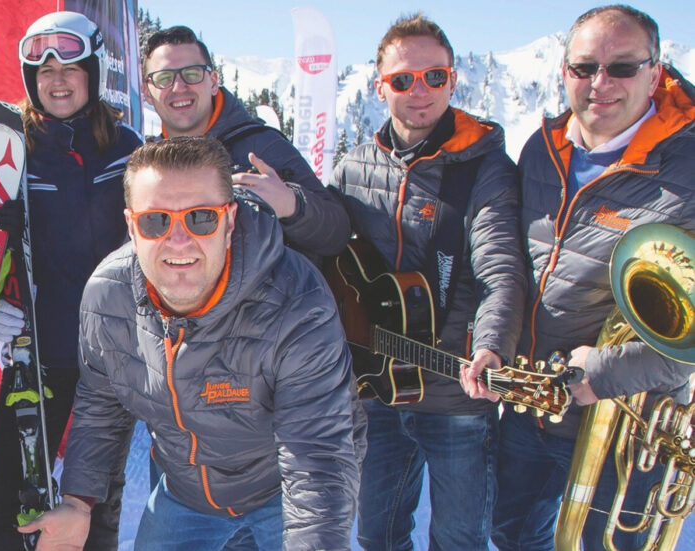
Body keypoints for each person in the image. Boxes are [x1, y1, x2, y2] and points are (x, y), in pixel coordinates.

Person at [18, 136, 365, 551]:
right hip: (186, 493)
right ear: (131, 225)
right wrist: (77, 501)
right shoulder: (108, 297)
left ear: (231, 219)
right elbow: (101, 403)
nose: (178, 240)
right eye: (155, 221)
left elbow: (317, 459)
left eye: (201, 218)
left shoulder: (296, 301)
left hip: (281, 491)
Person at [482, 5, 695, 550]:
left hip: (628, 419)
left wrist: (600, 373)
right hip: (534, 405)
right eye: (584, 68)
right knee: (512, 536)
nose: (600, 84)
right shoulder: (541, 149)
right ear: (564, 72)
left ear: (656, 71)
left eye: (622, 68)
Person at [323, 13, 526, 550]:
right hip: (376, 390)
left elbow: (500, 270)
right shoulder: (353, 167)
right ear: (380, 86)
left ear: (453, 80)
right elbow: (333, 262)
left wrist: (490, 348)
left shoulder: (483, 168)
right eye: (403, 79)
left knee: (459, 539)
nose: (420, 91)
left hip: (456, 394)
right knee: (377, 535)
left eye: (434, 76)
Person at [0, 11, 143, 551]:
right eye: (44, 71)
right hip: (39, 350)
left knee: (97, 493)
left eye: (71, 68)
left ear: (93, 73)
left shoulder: (126, 148)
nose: (57, 80)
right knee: (10, 491)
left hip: (111, 352)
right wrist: (0, 300)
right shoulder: (12, 151)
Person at [142, 25, 349, 259]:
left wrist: (292, 205)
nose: (179, 87)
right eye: (164, 78)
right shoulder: (145, 167)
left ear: (212, 81)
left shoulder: (262, 146)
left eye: (192, 74)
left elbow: (337, 233)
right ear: (147, 92)